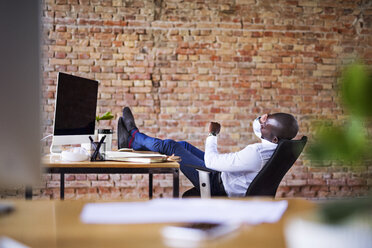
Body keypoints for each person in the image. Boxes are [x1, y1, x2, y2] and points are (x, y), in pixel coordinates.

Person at [118, 107, 299, 197]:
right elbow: (257, 128)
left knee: (173, 147)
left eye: (265, 125)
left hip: (216, 184)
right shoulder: (277, 147)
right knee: (184, 145)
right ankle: (135, 141)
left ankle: (134, 135)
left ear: (274, 138)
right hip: (222, 178)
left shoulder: (256, 153)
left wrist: (212, 134)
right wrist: (262, 120)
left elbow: (212, 162)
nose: (261, 123)